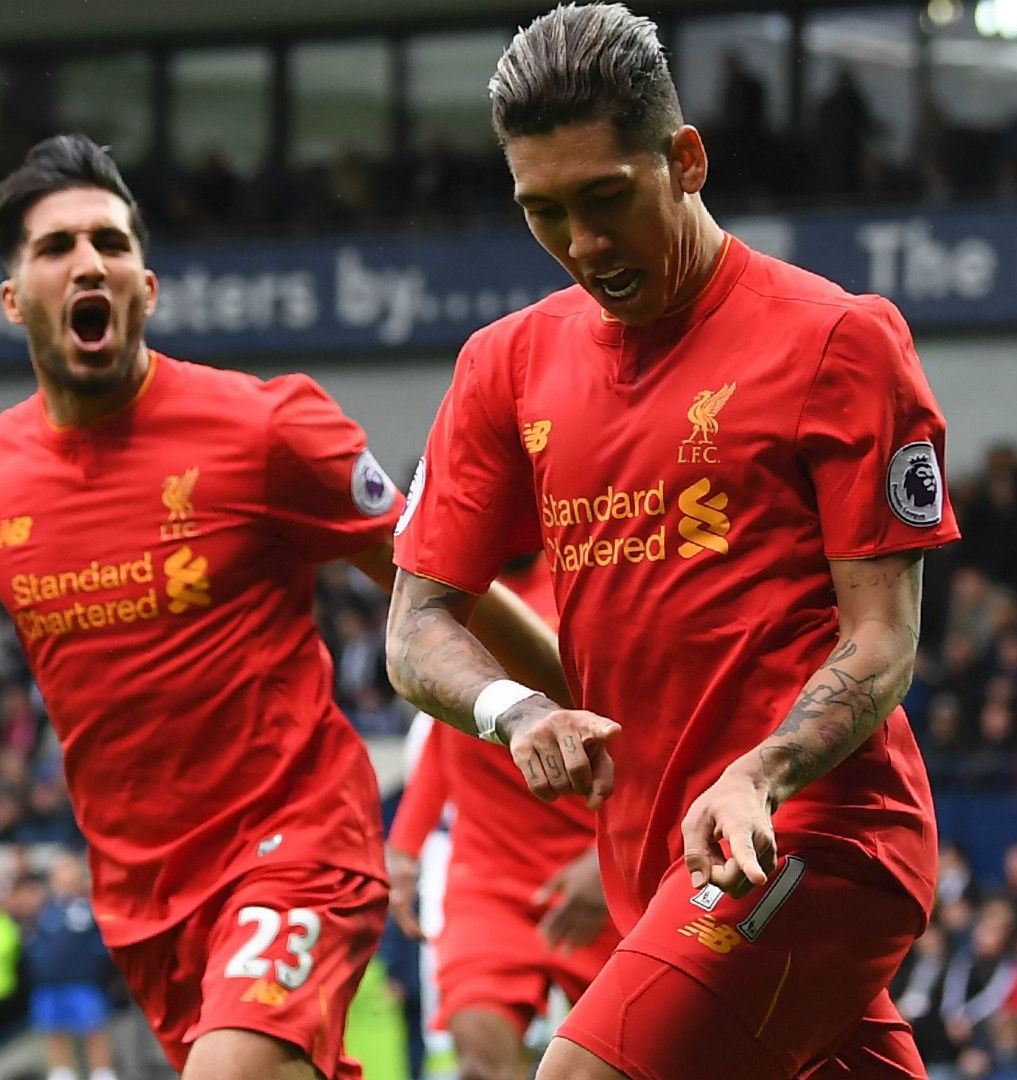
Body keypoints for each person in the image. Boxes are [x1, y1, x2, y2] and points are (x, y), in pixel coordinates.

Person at [0, 134, 566, 1080]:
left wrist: (600, 707)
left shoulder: (265, 428)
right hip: (144, 897)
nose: (90, 261)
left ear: (145, 287)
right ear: (14, 299)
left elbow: (446, 591)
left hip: (300, 845)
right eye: (56, 248)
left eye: (111, 243)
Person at [383, 5, 960, 1077]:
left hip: (817, 834)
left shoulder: (837, 339)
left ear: (686, 159)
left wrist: (761, 773)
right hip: (653, 858)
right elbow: (416, 627)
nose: (585, 245)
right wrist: (517, 713)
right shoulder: (504, 368)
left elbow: (882, 641)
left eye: (608, 198)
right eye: (544, 213)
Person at [386, 555, 617, 1080]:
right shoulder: (450, 599)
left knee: (615, 1065)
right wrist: (404, 847)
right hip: (487, 875)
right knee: (480, 1059)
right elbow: (448, 733)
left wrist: (607, 864)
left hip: (596, 869)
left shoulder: (586, 586)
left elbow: (647, 736)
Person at [27, 854, 121, 1080]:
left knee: (94, 1030)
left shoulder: (91, 908)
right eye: (59, 871)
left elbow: (103, 944)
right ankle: (61, 1073)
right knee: (54, 1031)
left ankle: (102, 1073)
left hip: (84, 984)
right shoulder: (44, 911)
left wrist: (95, 966)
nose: (62, 875)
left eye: (67, 869)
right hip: (50, 985)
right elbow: (35, 943)